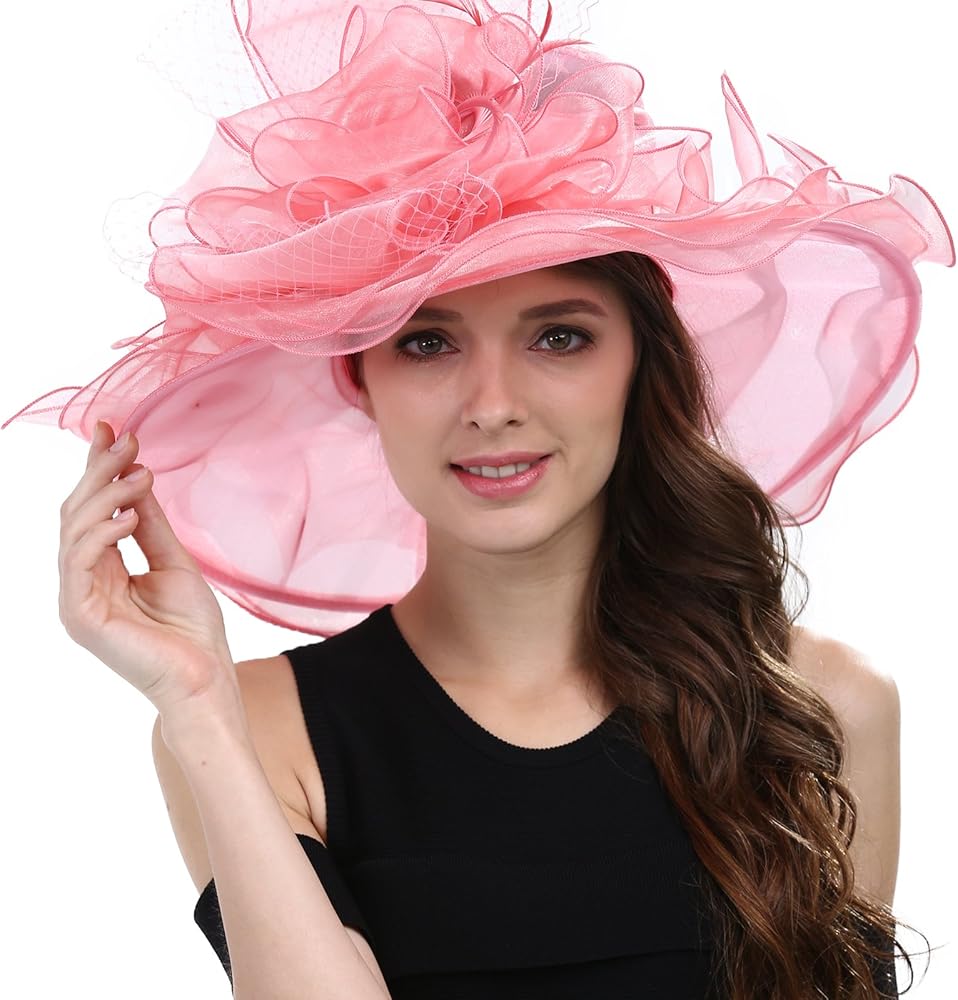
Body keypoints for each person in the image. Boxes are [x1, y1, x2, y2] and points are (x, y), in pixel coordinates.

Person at [3, 1, 952, 997]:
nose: (493, 404)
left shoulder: (821, 707)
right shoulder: (255, 728)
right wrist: (197, 706)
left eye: (559, 337)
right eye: (427, 342)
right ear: (358, 375)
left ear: (641, 363)